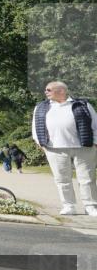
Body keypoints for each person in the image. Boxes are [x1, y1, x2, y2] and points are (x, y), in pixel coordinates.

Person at [32, 81, 97, 216]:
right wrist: (41, 144)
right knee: (62, 179)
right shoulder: (41, 107)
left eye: (49, 90)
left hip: (84, 147)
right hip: (54, 148)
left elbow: (95, 124)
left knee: (87, 178)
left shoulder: (82, 104)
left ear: (61, 91)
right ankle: (69, 206)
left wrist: (95, 143)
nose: (46, 92)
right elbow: (35, 127)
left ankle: (90, 206)